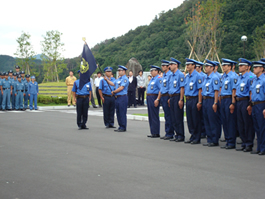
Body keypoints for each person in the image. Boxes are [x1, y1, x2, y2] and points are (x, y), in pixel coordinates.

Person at [235, 58, 255, 152]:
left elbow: (251, 91)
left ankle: (249, 143)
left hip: (245, 101)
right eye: (239, 65)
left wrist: (250, 104)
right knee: (240, 123)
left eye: (242, 65)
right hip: (238, 101)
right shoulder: (240, 77)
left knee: (247, 123)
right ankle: (244, 142)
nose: (240, 67)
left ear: (247, 67)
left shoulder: (251, 77)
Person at [201, 60, 221, 147]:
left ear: (212, 68)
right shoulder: (206, 77)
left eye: (207, 67)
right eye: (205, 66)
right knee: (206, 120)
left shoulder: (215, 77)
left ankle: (214, 139)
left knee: (213, 120)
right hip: (205, 99)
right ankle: (209, 139)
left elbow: (216, 91)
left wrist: (215, 102)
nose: (205, 68)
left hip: (211, 99)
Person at [247, 61, 265, 155]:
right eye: (254, 67)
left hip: (262, 105)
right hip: (254, 105)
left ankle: (263, 148)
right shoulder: (254, 80)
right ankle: (259, 147)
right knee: (257, 127)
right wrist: (250, 105)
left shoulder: (264, 80)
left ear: (262, 69)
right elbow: (252, 94)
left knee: (262, 127)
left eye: (256, 67)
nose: (254, 69)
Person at [104, 65, 129, 132]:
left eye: (120, 71)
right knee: (118, 112)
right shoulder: (118, 79)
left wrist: (114, 91)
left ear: (123, 71)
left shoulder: (125, 79)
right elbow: (113, 84)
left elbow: (121, 88)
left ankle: (123, 126)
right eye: (118, 71)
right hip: (117, 98)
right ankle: (120, 126)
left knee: (122, 112)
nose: (119, 72)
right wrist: (107, 80)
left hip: (122, 97)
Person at [184, 58, 203, 144]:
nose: (187, 66)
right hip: (188, 99)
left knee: (196, 119)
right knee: (190, 119)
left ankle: (197, 137)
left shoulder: (198, 76)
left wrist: (199, 101)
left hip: (195, 99)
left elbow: (200, 90)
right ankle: (192, 135)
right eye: (186, 65)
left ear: (193, 66)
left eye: (189, 65)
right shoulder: (187, 76)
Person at [219, 58, 237, 149]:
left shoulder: (233, 76)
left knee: (230, 121)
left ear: (229, 66)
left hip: (229, 99)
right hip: (223, 99)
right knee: (225, 121)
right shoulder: (224, 76)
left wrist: (233, 103)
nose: (223, 67)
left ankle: (231, 142)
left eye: (225, 65)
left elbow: (234, 90)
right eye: (223, 65)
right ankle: (227, 139)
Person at [155, 60, 174, 140]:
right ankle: (167, 132)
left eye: (164, 66)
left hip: (167, 96)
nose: (162, 67)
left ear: (168, 66)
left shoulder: (170, 75)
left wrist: (169, 98)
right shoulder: (164, 76)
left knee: (169, 115)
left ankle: (170, 133)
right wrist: (158, 98)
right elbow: (161, 88)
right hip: (163, 96)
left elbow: (170, 87)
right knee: (166, 115)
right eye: (162, 66)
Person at [168, 57, 185, 142]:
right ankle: (176, 134)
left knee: (178, 117)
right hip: (172, 97)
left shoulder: (180, 74)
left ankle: (181, 135)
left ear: (176, 65)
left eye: (171, 64)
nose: (169, 66)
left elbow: (182, 87)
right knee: (173, 117)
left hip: (178, 96)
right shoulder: (171, 75)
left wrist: (181, 99)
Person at [146, 65, 162, 138]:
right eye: (151, 71)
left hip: (154, 97)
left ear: (157, 71)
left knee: (154, 114)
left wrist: (158, 99)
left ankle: (156, 132)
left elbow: (160, 90)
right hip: (149, 97)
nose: (151, 72)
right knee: (150, 115)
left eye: (153, 70)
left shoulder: (158, 79)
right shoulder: (152, 79)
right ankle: (152, 131)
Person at [195, 61, 207, 138]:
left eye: (197, 67)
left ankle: (203, 131)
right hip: (198, 96)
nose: (196, 68)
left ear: (200, 67)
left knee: (202, 116)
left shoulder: (203, 76)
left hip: (202, 97)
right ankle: (201, 131)